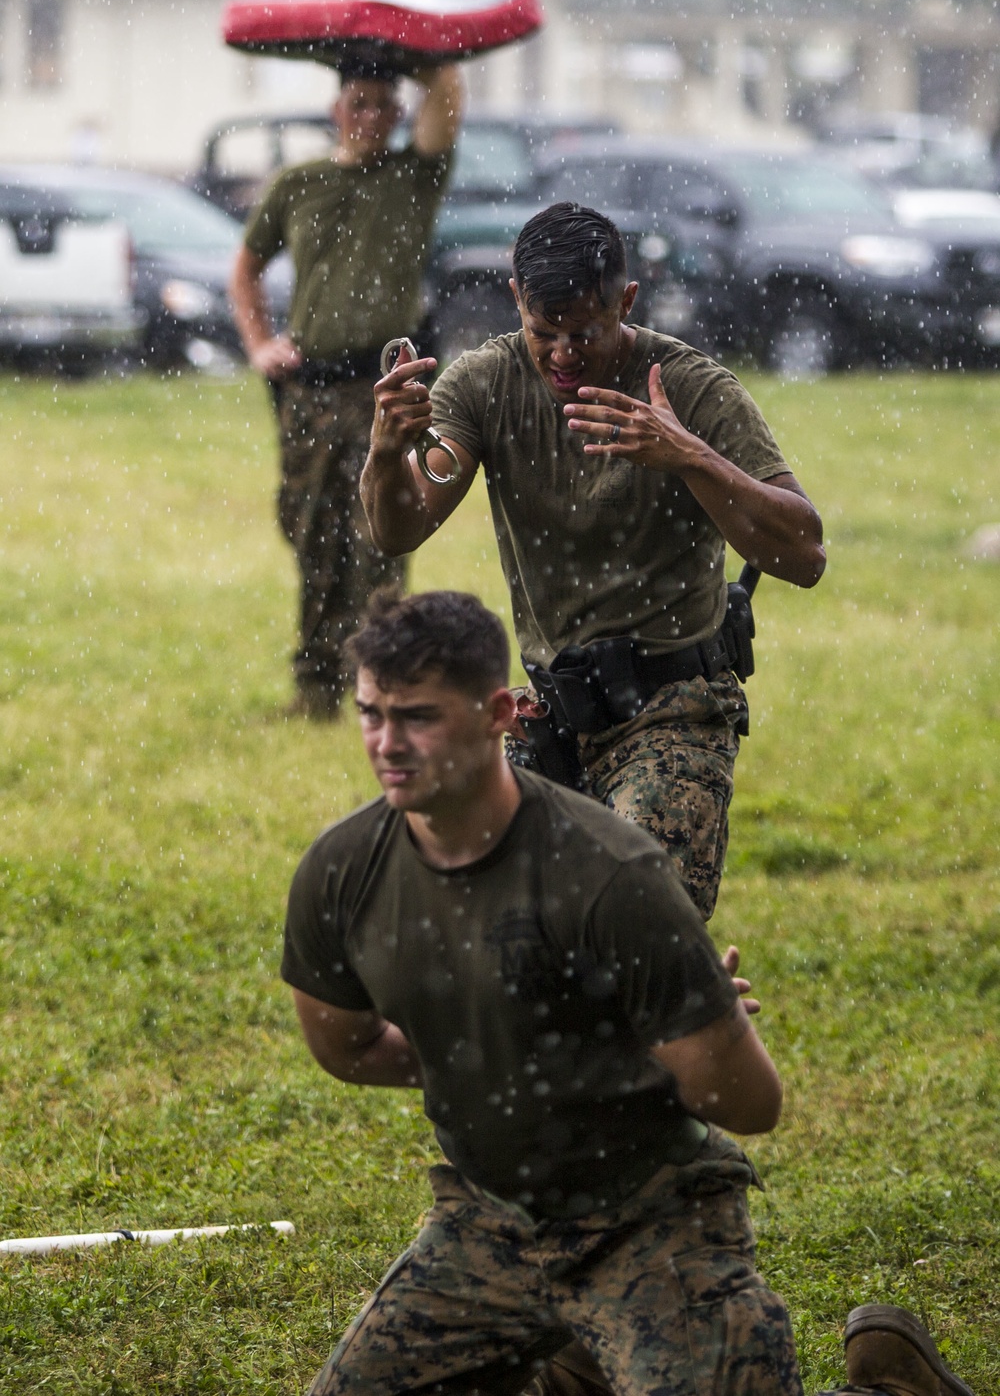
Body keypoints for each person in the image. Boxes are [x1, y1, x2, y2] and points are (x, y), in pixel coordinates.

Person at [281, 588, 974, 1396]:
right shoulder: (341, 872)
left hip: (650, 1216)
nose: (387, 744)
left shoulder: (609, 875)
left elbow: (752, 1105)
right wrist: (532, 1043)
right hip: (489, 1219)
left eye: (419, 718)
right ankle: (582, 1373)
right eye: (371, 713)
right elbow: (349, 1045)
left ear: (501, 711)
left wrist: (685, 1030)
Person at [360, 202, 826, 920]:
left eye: (585, 332)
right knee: (481, 922)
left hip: (673, 706)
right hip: (551, 715)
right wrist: (386, 451)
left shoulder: (689, 387)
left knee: (638, 926)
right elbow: (400, 527)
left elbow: (804, 552)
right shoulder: (486, 384)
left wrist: (688, 455)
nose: (562, 355)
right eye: (542, 333)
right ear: (516, 299)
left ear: (626, 301)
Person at [230, 60, 464, 718]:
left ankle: (380, 688)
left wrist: (427, 58)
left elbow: (446, 97)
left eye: (384, 106)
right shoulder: (299, 183)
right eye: (359, 103)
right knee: (310, 530)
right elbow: (245, 270)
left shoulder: (414, 178)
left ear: (398, 115)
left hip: (386, 386)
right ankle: (314, 689)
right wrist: (259, 344)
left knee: (381, 534)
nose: (371, 117)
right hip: (310, 390)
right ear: (336, 109)